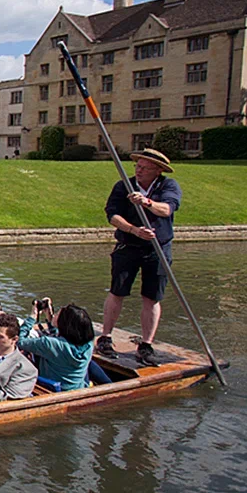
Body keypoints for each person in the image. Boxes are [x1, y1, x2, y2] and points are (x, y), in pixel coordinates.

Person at [99, 148, 182, 366]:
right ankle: (106, 336)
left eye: (145, 167)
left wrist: (147, 203)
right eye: (138, 166)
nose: (139, 170)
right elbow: (113, 215)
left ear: (158, 170)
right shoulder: (124, 185)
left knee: (152, 297)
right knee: (117, 290)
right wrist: (134, 230)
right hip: (128, 246)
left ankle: (146, 344)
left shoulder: (168, 186)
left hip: (157, 249)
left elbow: (167, 209)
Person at [19, 301, 97, 391]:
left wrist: (32, 317)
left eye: (57, 314)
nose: (54, 315)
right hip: (78, 388)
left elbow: (20, 341)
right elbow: (62, 340)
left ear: (64, 323)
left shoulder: (49, 343)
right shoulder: (88, 344)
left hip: (53, 389)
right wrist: (50, 318)